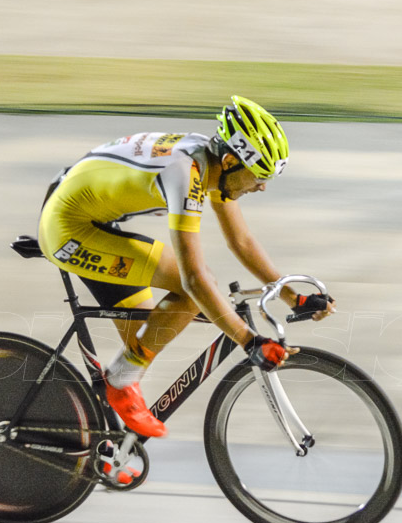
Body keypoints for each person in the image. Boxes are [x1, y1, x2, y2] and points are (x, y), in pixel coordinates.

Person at [37, 96, 335, 439]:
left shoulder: (214, 164)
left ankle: (103, 448)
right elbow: (194, 280)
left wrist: (293, 298)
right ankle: (118, 383)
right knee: (192, 293)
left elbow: (241, 241)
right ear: (230, 160)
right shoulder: (185, 173)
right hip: (70, 230)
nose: (262, 186)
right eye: (259, 176)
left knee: (147, 338)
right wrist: (249, 341)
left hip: (88, 213)